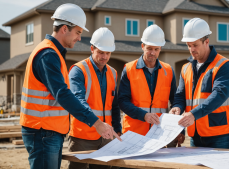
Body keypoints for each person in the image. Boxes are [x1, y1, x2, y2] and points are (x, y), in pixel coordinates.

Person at [20, 4, 121, 169]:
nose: (79, 38)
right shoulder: (48, 54)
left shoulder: (54, 54)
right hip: (43, 131)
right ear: (65, 29)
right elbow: (64, 95)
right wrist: (96, 123)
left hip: (48, 131)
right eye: (78, 33)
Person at [170, 18, 229, 149]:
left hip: (220, 134)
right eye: (189, 45)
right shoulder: (186, 68)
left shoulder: (224, 66)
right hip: (195, 135)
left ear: (206, 41)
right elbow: (180, 95)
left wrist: (193, 114)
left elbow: (219, 95)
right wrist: (177, 106)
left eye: (195, 45)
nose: (191, 49)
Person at [118, 24, 185, 147]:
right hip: (134, 134)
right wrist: (143, 115)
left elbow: (176, 101)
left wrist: (180, 129)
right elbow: (122, 101)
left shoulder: (168, 70)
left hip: (161, 134)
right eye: (149, 48)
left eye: (156, 49)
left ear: (160, 48)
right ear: (142, 46)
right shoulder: (129, 69)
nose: (152, 53)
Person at [68, 27, 121, 169]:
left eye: (108, 53)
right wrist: (97, 124)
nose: (104, 56)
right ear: (92, 48)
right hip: (82, 137)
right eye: (101, 52)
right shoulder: (78, 70)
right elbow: (78, 101)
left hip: (106, 138)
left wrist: (118, 128)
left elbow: (114, 105)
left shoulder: (113, 73)